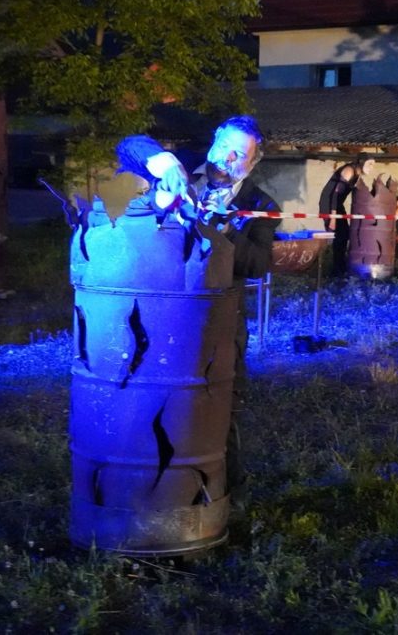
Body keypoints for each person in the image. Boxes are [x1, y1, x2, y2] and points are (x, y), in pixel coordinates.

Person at [115, 116, 280, 507]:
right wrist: (163, 163)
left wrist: (227, 230)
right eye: (225, 146)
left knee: (219, 407)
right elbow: (128, 146)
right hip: (156, 313)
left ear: (252, 163)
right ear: (214, 140)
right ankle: (145, 492)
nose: (228, 158)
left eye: (240, 154)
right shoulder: (182, 167)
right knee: (148, 400)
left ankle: (225, 500)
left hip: (217, 323)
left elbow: (258, 264)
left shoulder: (260, 205)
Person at [318, 155, 376, 276]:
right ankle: (335, 271)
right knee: (339, 236)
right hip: (330, 204)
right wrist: (333, 218)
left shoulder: (357, 174)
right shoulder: (349, 171)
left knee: (344, 235)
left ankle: (339, 268)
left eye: (373, 165)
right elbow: (334, 195)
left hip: (338, 205)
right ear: (361, 162)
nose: (372, 167)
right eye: (369, 164)